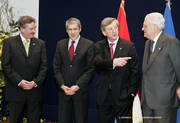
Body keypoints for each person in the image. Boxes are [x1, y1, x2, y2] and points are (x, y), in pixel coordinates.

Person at [2, 16, 47, 123]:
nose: (34, 31)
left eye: (34, 28)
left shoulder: (40, 44)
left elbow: (44, 67)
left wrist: (35, 82)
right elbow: (6, 65)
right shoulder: (9, 43)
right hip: (15, 91)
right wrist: (20, 81)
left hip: (34, 92)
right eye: (31, 29)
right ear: (22, 29)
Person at [94, 17, 139, 123]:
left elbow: (135, 72)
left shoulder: (129, 46)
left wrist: (131, 93)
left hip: (123, 96)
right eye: (110, 29)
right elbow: (97, 62)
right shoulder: (98, 46)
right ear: (104, 32)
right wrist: (114, 62)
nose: (114, 31)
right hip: (104, 96)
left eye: (115, 28)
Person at [53, 17, 94, 123]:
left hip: (80, 91)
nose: (72, 32)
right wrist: (62, 85)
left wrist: (77, 86)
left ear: (80, 29)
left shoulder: (88, 44)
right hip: (64, 91)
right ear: (66, 30)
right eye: (70, 29)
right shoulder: (60, 44)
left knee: (80, 120)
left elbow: (90, 69)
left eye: (75, 29)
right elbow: (56, 67)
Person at [141, 12, 180, 123]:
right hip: (147, 101)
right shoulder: (147, 43)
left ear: (155, 26)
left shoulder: (171, 42)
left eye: (145, 25)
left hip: (165, 102)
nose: (142, 28)